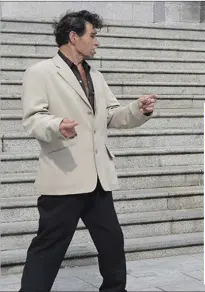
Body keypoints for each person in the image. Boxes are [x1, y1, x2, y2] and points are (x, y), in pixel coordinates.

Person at [18, 10, 156, 292]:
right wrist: (57, 125)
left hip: (98, 177)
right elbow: (32, 118)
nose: (97, 42)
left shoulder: (96, 75)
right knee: (49, 247)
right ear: (73, 37)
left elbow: (111, 115)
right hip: (64, 176)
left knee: (112, 242)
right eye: (92, 36)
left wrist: (137, 110)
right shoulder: (40, 72)